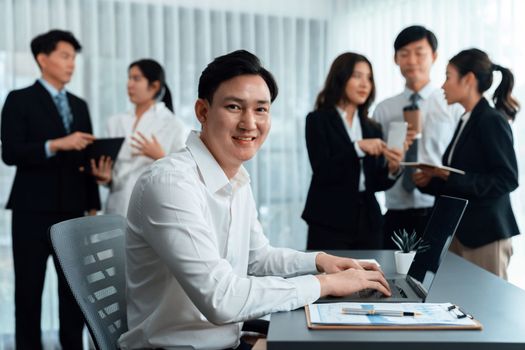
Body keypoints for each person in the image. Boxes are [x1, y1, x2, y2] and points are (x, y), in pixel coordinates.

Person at [118, 50, 391, 350]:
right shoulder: (171, 183)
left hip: (228, 339)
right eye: (234, 107)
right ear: (203, 111)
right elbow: (221, 298)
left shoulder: (236, 178)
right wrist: (324, 284)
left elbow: (259, 259)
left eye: (261, 109)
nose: (249, 123)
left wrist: (321, 261)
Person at [1, 29, 100, 349]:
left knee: (74, 292)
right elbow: (11, 153)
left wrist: (93, 202)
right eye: (65, 56)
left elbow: (85, 157)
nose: (72, 64)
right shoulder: (19, 100)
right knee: (28, 291)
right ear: (43, 59)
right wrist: (56, 144)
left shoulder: (80, 105)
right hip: (31, 210)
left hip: (73, 211)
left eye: (74, 58)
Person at [414, 48, 520, 279]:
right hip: (460, 232)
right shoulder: (466, 119)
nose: (443, 86)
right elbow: (460, 179)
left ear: (469, 79)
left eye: (448, 77)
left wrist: (449, 177)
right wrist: (429, 181)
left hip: (485, 236)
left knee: (485, 310)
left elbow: (507, 179)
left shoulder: (491, 120)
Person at [373, 25, 463, 249]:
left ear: (434, 56)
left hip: (438, 209)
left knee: (439, 281)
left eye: (419, 53)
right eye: (404, 54)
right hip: (395, 212)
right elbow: (377, 162)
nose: (411, 60)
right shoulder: (383, 109)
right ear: (396, 59)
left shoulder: (452, 104)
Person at [302, 52, 404, 250]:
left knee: (370, 279)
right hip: (328, 220)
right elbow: (322, 170)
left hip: (368, 221)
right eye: (357, 76)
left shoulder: (372, 127)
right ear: (340, 77)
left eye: (369, 78)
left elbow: (374, 182)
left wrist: (393, 169)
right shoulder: (317, 120)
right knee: (330, 279)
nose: (365, 84)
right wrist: (358, 148)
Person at [91, 59, 188, 216]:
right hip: (117, 206)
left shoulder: (173, 124)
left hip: (153, 207)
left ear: (154, 86)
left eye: (136, 79)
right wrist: (106, 178)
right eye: (129, 78)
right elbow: (115, 175)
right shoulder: (115, 122)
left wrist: (161, 156)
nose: (129, 84)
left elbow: (184, 176)